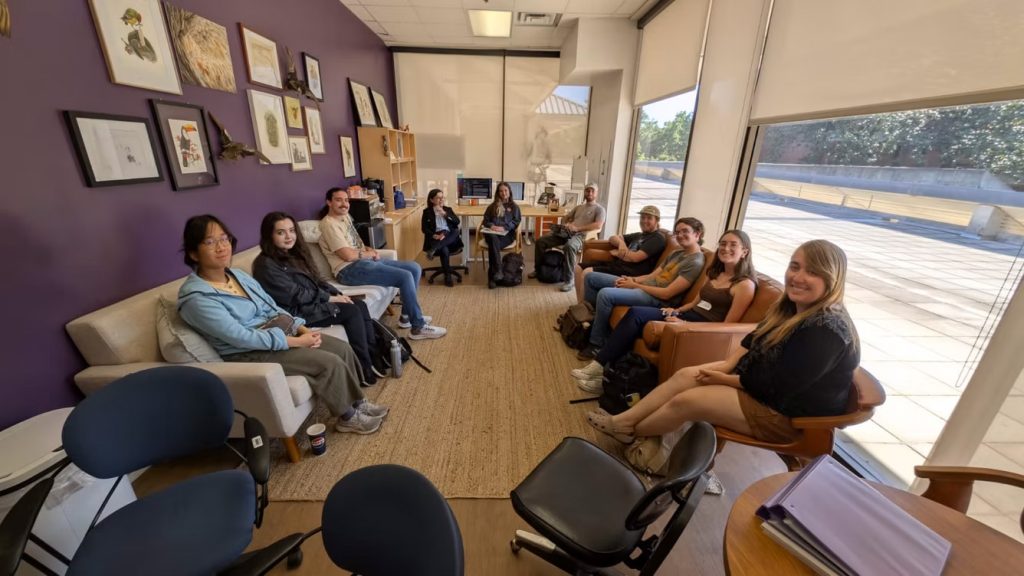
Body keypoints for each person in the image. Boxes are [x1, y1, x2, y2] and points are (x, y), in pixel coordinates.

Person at [586, 239, 859, 449]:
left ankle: (633, 430)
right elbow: (754, 338)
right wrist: (728, 365)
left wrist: (726, 379)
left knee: (687, 401)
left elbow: (779, 389)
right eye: (795, 266)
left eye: (812, 272)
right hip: (760, 384)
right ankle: (624, 423)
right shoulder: (791, 307)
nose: (797, 277)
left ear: (832, 278)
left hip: (786, 416)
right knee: (685, 375)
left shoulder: (826, 330)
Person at [177, 215, 387, 435]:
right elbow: (240, 336)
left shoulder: (237, 275)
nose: (221, 247)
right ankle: (348, 417)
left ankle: (357, 403)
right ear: (193, 253)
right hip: (249, 351)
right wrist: (295, 341)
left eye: (224, 239)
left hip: (278, 332)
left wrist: (301, 328)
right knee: (328, 362)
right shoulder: (196, 298)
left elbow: (272, 307)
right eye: (210, 242)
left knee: (341, 348)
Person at [573, 230, 757, 393]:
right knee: (636, 314)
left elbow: (727, 328)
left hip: (701, 328)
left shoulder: (744, 285)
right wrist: (677, 311)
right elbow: (695, 302)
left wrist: (685, 324)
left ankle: (603, 377)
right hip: (686, 316)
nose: (726, 248)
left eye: (733, 245)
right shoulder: (715, 273)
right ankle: (600, 366)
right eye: (723, 244)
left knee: (635, 317)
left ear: (745, 252)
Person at [253, 211, 383, 386]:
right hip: (296, 313)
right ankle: (363, 367)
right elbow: (294, 295)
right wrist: (328, 299)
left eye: (291, 230)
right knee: (351, 311)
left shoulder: (295, 254)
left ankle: (374, 355)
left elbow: (317, 279)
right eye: (281, 232)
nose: (288, 236)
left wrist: (336, 293)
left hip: (311, 302)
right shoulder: (265, 264)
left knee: (359, 304)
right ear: (269, 235)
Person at [319, 187, 447, 340]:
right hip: (348, 270)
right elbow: (347, 255)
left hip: (361, 262)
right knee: (405, 277)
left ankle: (406, 317)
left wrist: (368, 249)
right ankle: (417, 328)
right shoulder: (329, 224)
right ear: (329, 202)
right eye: (338, 200)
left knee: (414, 267)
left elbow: (354, 242)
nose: (344, 204)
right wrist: (368, 254)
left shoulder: (345, 217)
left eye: (346, 200)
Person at [578, 217, 706, 360]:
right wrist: (632, 279)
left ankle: (596, 343)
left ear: (697, 234)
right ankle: (591, 323)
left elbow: (667, 294)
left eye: (685, 231)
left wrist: (635, 285)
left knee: (605, 294)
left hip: (657, 299)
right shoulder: (677, 253)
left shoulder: (695, 261)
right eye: (677, 232)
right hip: (645, 287)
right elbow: (653, 275)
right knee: (591, 277)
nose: (680, 235)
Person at [572, 205, 667, 302]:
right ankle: (580, 305)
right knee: (578, 268)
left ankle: (585, 309)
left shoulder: (657, 238)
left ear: (657, 220)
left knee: (587, 272)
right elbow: (613, 238)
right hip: (618, 265)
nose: (644, 221)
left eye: (649, 218)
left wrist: (618, 253)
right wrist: (621, 244)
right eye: (642, 217)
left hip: (629, 273)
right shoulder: (639, 235)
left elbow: (635, 258)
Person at [528, 183, 605, 292]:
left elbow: (598, 225)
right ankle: (538, 270)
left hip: (582, 235)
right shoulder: (579, 207)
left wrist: (577, 229)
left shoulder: (599, 209)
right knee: (540, 241)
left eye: (592, 191)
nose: (590, 193)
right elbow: (566, 217)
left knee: (569, 246)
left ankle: (569, 280)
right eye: (588, 190)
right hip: (567, 233)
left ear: (596, 193)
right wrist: (565, 225)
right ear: (585, 192)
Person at [481, 181, 523, 289]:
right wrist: (492, 226)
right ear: (498, 193)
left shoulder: (514, 207)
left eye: (505, 190)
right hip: (491, 234)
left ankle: (492, 278)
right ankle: (499, 270)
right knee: (493, 239)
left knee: (492, 247)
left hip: (506, 235)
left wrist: (504, 227)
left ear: (509, 192)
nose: (503, 193)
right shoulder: (492, 206)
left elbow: (516, 221)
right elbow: (485, 220)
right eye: (501, 191)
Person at [420, 188, 464, 287]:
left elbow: (457, 222)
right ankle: (447, 276)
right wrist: (433, 235)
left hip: (449, 236)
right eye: (438, 198)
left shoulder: (448, 209)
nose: (441, 200)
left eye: (442, 197)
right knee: (444, 249)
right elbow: (424, 229)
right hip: (436, 237)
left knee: (456, 231)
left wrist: (445, 214)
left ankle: (434, 249)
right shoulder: (427, 212)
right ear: (431, 200)